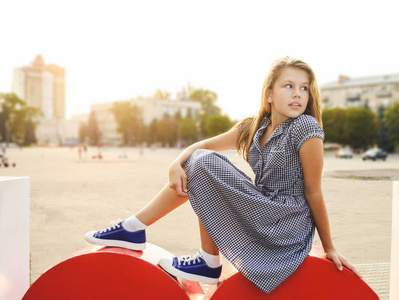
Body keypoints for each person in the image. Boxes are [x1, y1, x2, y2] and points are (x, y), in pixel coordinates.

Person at [85, 57, 361, 293]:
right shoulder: (254, 127)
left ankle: (173, 245)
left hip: (287, 224)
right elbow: (202, 146)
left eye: (304, 88)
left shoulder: (305, 128)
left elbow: (314, 191)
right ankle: (138, 229)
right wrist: (175, 164)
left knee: (203, 165)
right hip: (263, 209)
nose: (298, 94)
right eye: (288, 86)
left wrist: (329, 247)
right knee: (200, 162)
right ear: (269, 94)